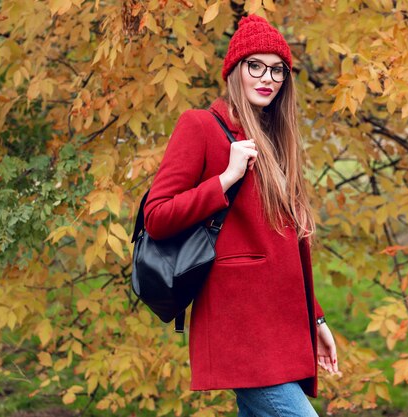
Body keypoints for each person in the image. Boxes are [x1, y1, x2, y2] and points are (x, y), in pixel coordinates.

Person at [143, 14, 339, 417]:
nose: (267, 77)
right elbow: (156, 216)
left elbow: (286, 251)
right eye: (255, 65)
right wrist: (225, 179)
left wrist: (316, 321)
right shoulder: (200, 127)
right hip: (242, 329)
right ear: (234, 71)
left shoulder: (277, 140)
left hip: (282, 329)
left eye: (277, 69)